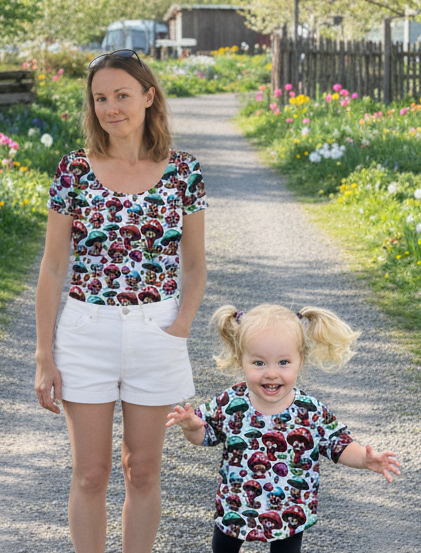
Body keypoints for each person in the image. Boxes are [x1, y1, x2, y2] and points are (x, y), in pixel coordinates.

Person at [34, 49, 207, 553]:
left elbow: (195, 265)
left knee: (143, 470)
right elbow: (52, 266)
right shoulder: (74, 170)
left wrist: (181, 326)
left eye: (122, 95)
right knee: (90, 474)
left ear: (149, 97)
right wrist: (44, 355)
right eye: (100, 98)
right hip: (86, 331)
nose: (111, 108)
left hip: (157, 330)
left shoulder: (184, 171)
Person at [166, 304, 401, 553]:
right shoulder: (230, 403)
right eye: (259, 363)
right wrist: (192, 428)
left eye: (283, 362)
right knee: (223, 548)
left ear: (300, 361)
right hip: (236, 504)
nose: (271, 373)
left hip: (289, 508)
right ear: (240, 360)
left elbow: (338, 444)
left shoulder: (310, 411)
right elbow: (205, 435)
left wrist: (364, 458)